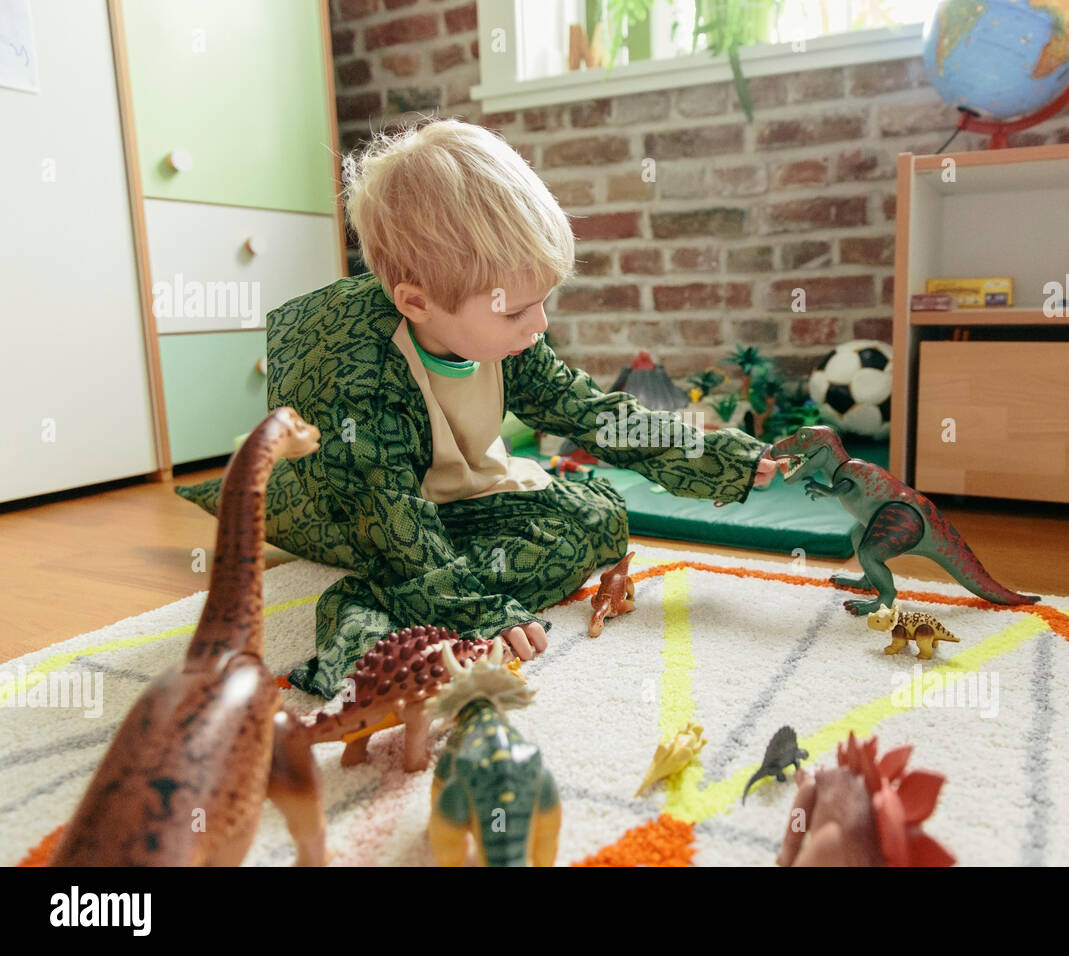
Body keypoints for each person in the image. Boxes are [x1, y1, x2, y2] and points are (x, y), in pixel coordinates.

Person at [176, 117, 777, 698]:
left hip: (446, 493)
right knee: (425, 560)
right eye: (517, 310)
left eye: (542, 302)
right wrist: (477, 611)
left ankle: (424, 588)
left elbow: (590, 411)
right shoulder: (351, 370)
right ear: (417, 301)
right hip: (347, 509)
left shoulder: (505, 335)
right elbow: (389, 516)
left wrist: (724, 459)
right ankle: (367, 611)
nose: (539, 325)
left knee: (600, 516)